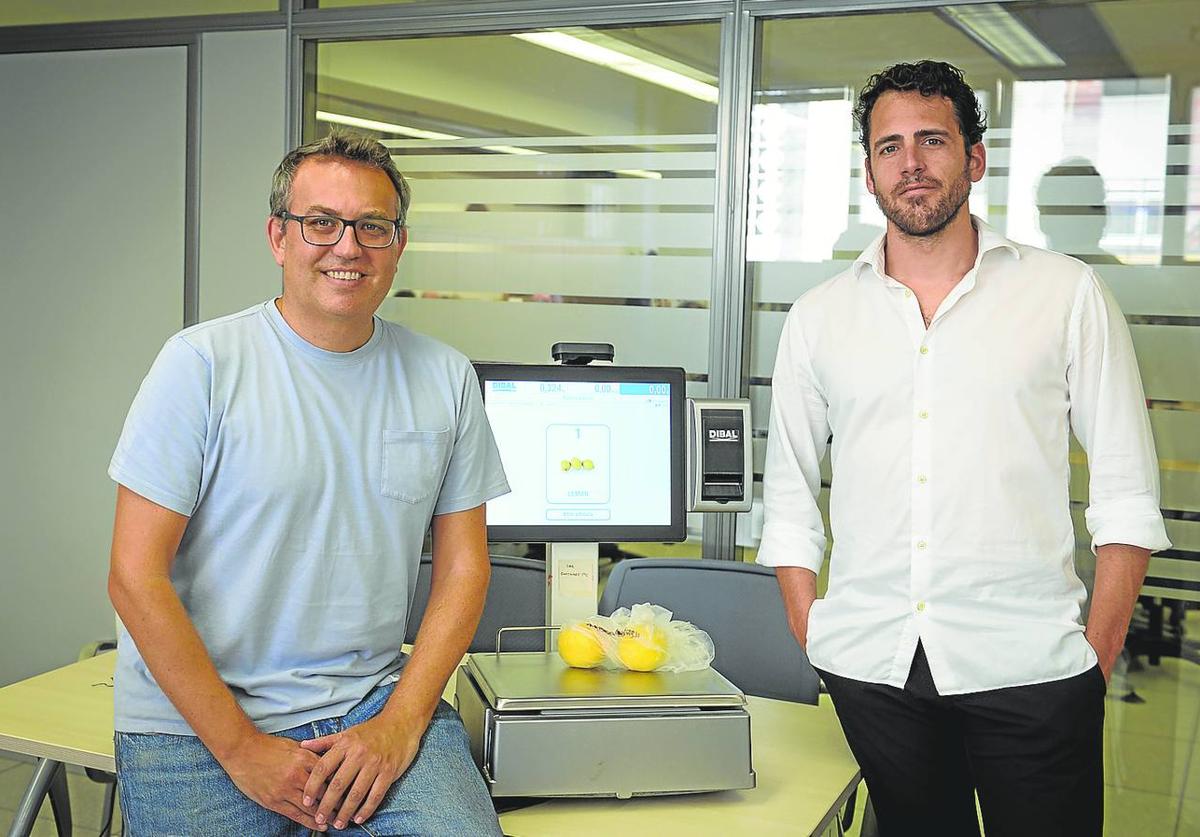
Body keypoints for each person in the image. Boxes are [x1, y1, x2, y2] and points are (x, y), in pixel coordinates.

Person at [757, 61, 1169, 836]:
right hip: (874, 666)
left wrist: (1095, 657)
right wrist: (815, 627)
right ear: (870, 172)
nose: (910, 163)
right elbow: (787, 492)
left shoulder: (1066, 294)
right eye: (889, 147)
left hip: (1034, 667)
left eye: (932, 140)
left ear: (974, 159)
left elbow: (1125, 493)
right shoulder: (819, 318)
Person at [107, 131, 510, 835]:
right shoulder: (200, 365)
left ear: (397, 243)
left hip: (371, 702)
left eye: (371, 226)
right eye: (321, 222)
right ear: (278, 236)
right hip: (199, 724)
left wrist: (399, 725)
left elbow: (465, 569)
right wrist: (241, 749)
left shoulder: (445, 377)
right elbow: (134, 575)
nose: (347, 246)